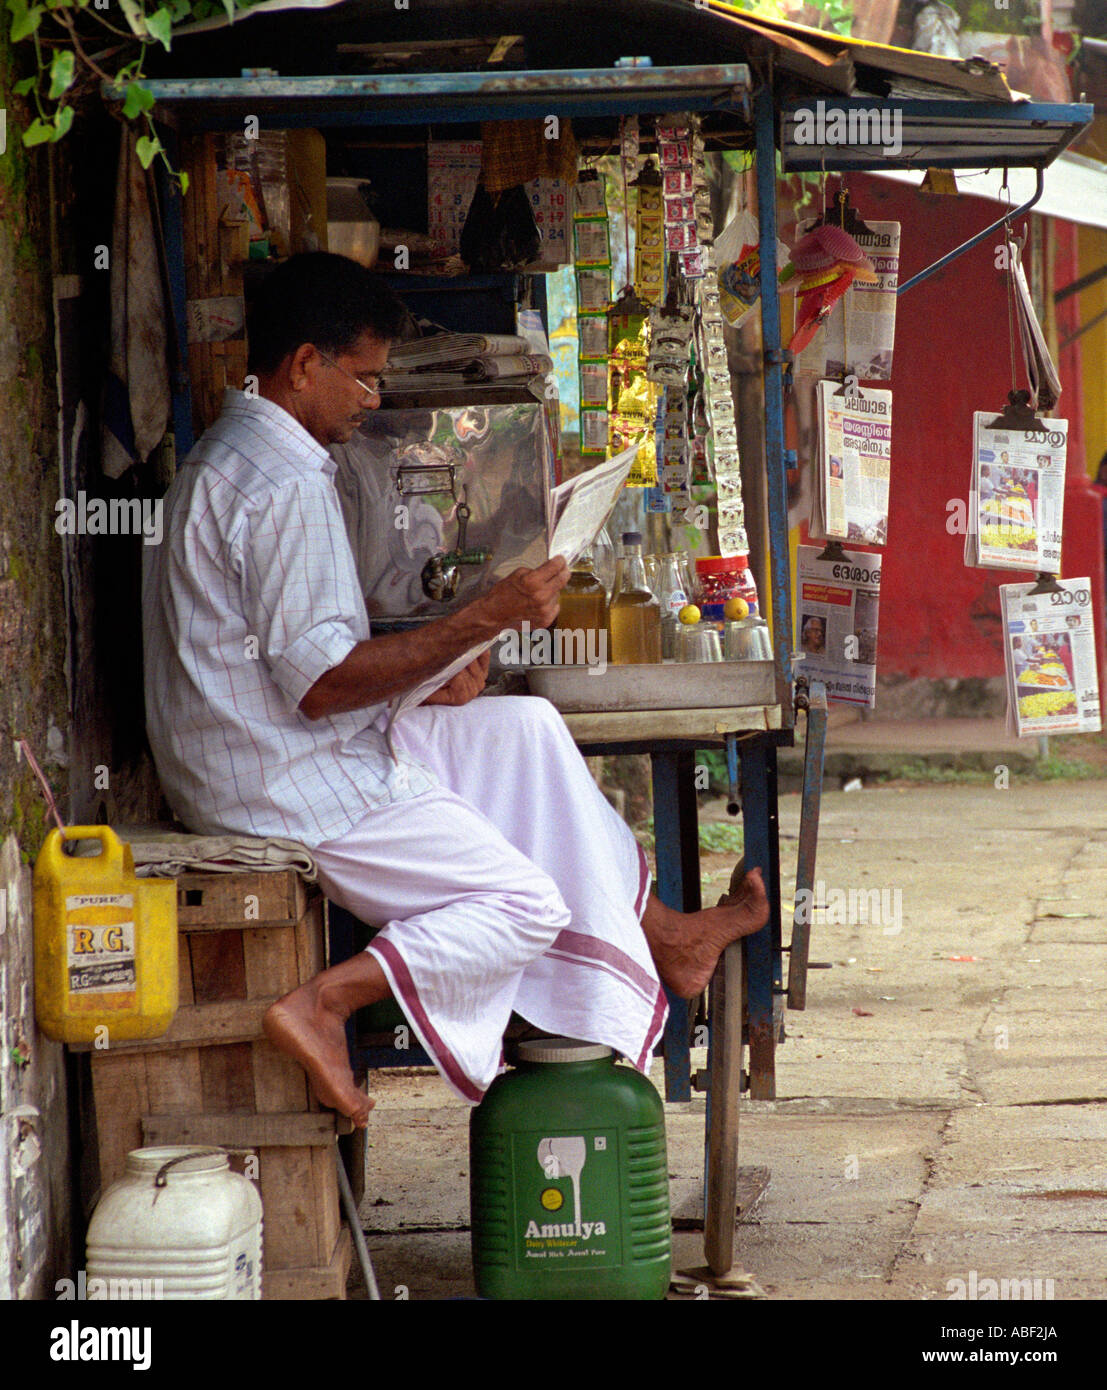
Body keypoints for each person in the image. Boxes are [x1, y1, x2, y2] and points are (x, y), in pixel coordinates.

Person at [142, 253, 768, 1125]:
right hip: (274, 777)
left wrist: (431, 673)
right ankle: (324, 1003)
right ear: (304, 365)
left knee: (525, 730)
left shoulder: (245, 453)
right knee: (523, 905)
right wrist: (481, 619)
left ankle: (662, 933)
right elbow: (321, 685)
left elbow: (296, 662)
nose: (372, 400)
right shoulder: (281, 485)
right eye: (363, 379)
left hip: (259, 738)